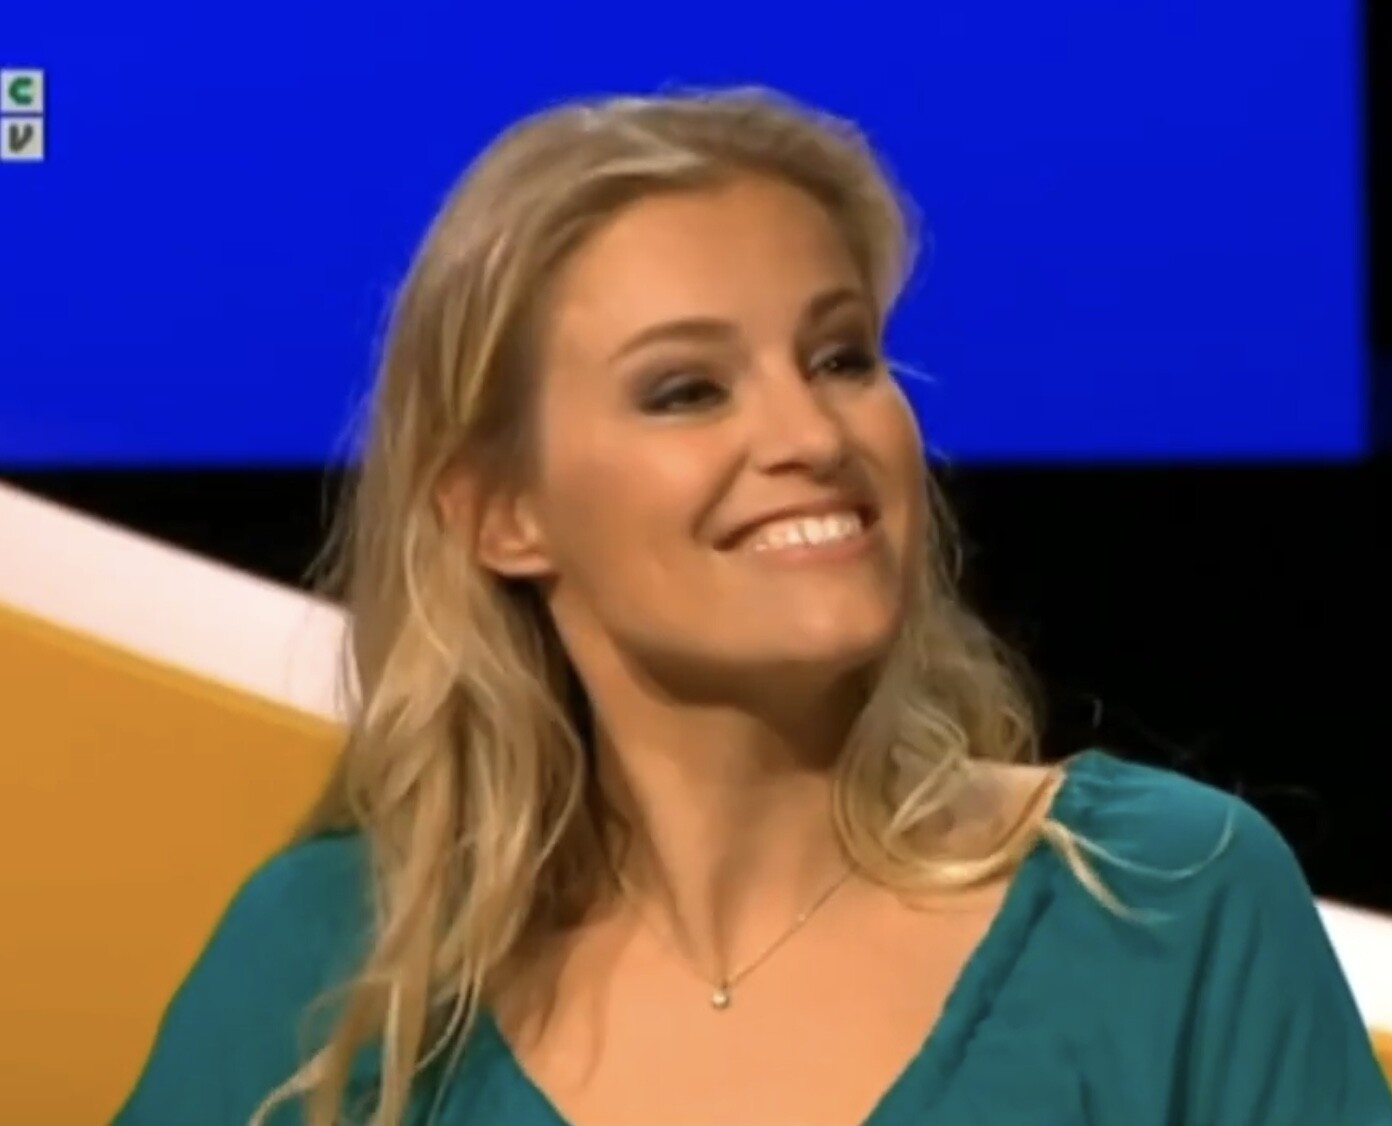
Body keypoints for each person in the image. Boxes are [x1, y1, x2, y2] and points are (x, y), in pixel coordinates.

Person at [113, 87, 1392, 1126]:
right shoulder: (335, 966)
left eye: (841, 358)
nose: (813, 434)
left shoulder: (1166, 901)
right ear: (502, 512)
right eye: (687, 390)